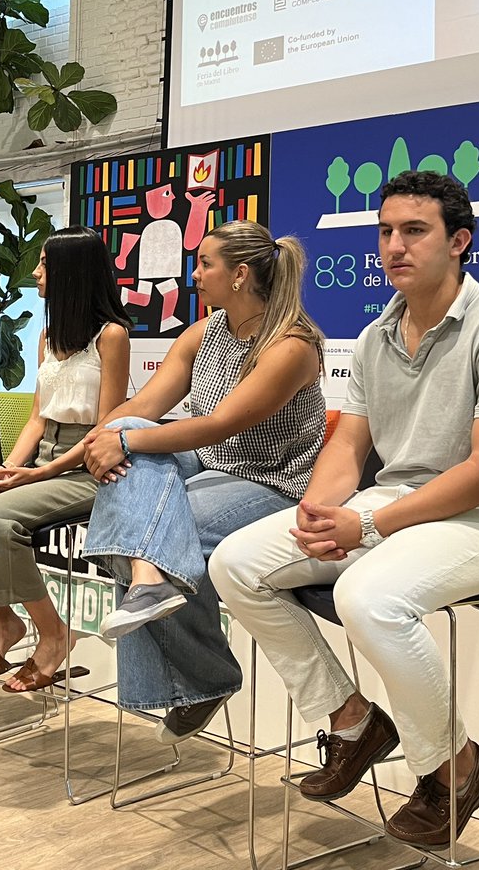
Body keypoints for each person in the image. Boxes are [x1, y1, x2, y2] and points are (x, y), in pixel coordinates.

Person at [209, 172, 479, 848]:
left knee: (367, 597)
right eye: (386, 231)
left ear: (459, 241)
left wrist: (369, 524)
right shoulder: (374, 335)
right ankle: (353, 720)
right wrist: (317, 513)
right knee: (236, 561)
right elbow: (349, 443)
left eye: (414, 231)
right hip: (390, 505)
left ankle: (455, 767)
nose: (394, 245)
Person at [82, 220, 326, 744]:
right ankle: (152, 587)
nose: (195, 274)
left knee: (157, 528)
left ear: (239, 275)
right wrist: (101, 440)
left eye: (205, 264)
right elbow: (144, 408)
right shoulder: (208, 330)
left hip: (273, 481)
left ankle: (206, 676)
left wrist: (122, 443)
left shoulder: (291, 346)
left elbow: (222, 424)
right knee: (128, 432)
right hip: (208, 463)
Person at [0, 226, 131, 691]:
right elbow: (38, 420)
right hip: (42, 458)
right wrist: (10, 467)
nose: (36, 273)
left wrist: (37, 473)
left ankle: (54, 633)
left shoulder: (112, 336)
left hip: (87, 467)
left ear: (72, 275)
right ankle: (4, 623)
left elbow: (105, 429)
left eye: (44, 265)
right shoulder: (47, 335)